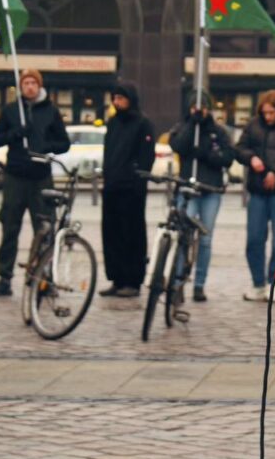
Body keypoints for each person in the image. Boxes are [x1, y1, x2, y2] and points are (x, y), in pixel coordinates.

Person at [0, 69, 70, 297]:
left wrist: (46, 145)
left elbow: (64, 143)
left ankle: (44, 278)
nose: (30, 86)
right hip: (15, 175)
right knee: (9, 227)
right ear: (21, 86)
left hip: (40, 176)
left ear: (39, 85)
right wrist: (15, 133)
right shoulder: (12, 111)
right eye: (26, 83)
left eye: (33, 83)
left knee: (44, 228)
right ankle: (4, 278)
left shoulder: (50, 111)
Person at [168, 90, 236, 302]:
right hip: (188, 188)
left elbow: (227, 158)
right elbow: (178, 145)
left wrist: (207, 154)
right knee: (183, 235)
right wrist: (192, 124)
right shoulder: (183, 127)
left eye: (203, 107)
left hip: (210, 191)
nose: (199, 111)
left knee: (205, 239)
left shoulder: (218, 131)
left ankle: (199, 284)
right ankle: (178, 281)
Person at [235, 90, 275, 302]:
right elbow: (240, 147)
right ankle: (257, 283)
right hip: (258, 190)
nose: (268, 116)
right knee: (254, 238)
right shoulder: (253, 124)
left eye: (271, 112)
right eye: (264, 112)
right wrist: (251, 159)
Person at [100, 80, 155, 298]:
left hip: (131, 190)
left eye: (121, 98)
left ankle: (133, 281)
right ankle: (116, 278)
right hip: (112, 186)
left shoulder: (143, 123)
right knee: (111, 234)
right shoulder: (113, 123)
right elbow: (109, 152)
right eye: (114, 98)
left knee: (131, 234)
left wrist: (137, 181)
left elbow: (146, 157)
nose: (117, 102)